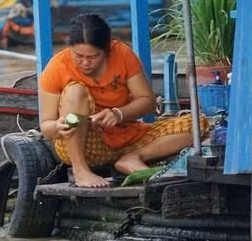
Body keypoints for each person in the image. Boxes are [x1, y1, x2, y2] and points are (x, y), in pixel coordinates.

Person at [38, 13, 206, 188]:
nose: (85, 63)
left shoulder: (122, 54)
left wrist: (118, 114)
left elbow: (148, 102)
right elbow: (46, 128)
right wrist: (58, 126)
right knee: (75, 92)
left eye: (93, 57)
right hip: (85, 146)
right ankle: (80, 171)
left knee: (199, 124)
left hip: (129, 139)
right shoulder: (57, 67)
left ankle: (132, 159)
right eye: (78, 56)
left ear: (107, 50)